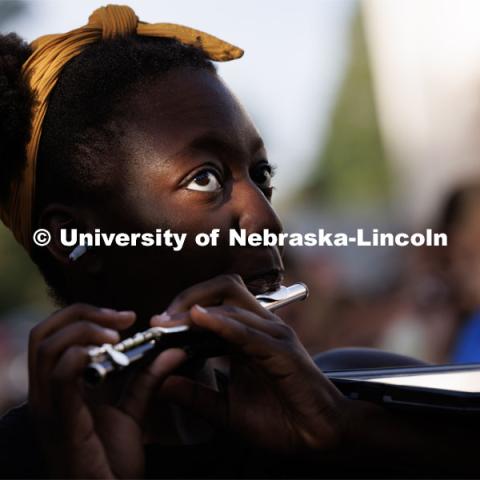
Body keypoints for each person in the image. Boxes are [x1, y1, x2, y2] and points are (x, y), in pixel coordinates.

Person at [0, 5, 478, 478]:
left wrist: (349, 432)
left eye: (261, 174)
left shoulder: (353, 394)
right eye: (204, 179)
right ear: (73, 237)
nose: (267, 220)